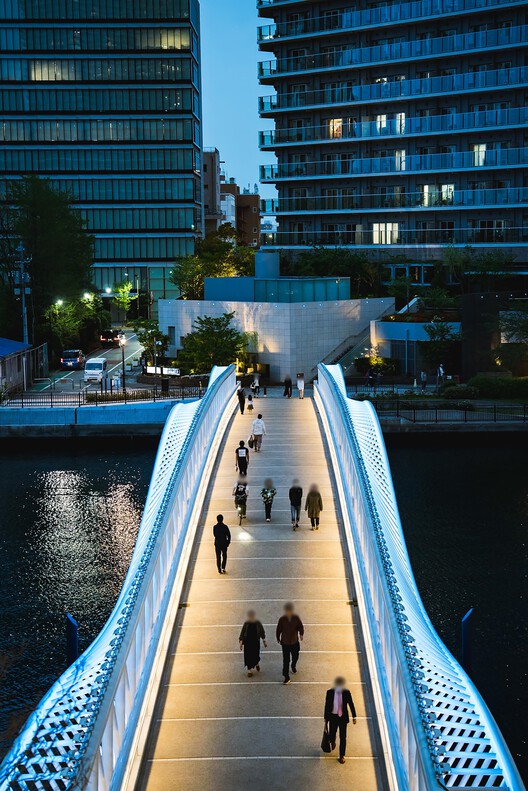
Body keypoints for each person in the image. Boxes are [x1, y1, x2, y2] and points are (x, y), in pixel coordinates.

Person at [324, 676, 357, 764]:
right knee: (331, 734)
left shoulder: (346, 692)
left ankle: (342, 755)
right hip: (333, 717)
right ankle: (333, 740)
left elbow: (351, 704)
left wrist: (354, 716)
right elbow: (327, 706)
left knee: (343, 737)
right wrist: (326, 718)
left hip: (342, 718)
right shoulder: (330, 692)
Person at [276, 602, 304, 685]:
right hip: (285, 643)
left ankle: (293, 665)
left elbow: (300, 626)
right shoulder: (282, 619)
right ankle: (286, 677)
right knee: (286, 660)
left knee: (295, 656)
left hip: (294, 642)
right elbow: (279, 629)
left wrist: (301, 634)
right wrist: (278, 637)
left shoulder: (296, 618)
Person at [239, 610, 267, 677]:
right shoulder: (246, 623)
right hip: (248, 642)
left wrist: (264, 641)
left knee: (255, 655)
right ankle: (249, 671)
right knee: (248, 656)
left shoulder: (258, 623)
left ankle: (256, 663)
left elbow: (262, 632)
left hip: (255, 642)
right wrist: (241, 642)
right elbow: (242, 633)